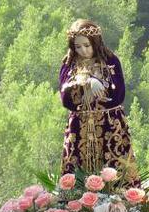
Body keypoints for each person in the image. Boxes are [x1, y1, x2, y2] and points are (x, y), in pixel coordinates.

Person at [59, 19, 138, 185]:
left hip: (110, 125)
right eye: (78, 46)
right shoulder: (69, 64)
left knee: (115, 173)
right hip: (79, 128)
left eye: (87, 45)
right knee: (78, 174)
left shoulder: (110, 61)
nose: (83, 50)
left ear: (95, 42)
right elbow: (65, 98)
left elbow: (118, 94)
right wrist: (85, 82)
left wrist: (99, 83)